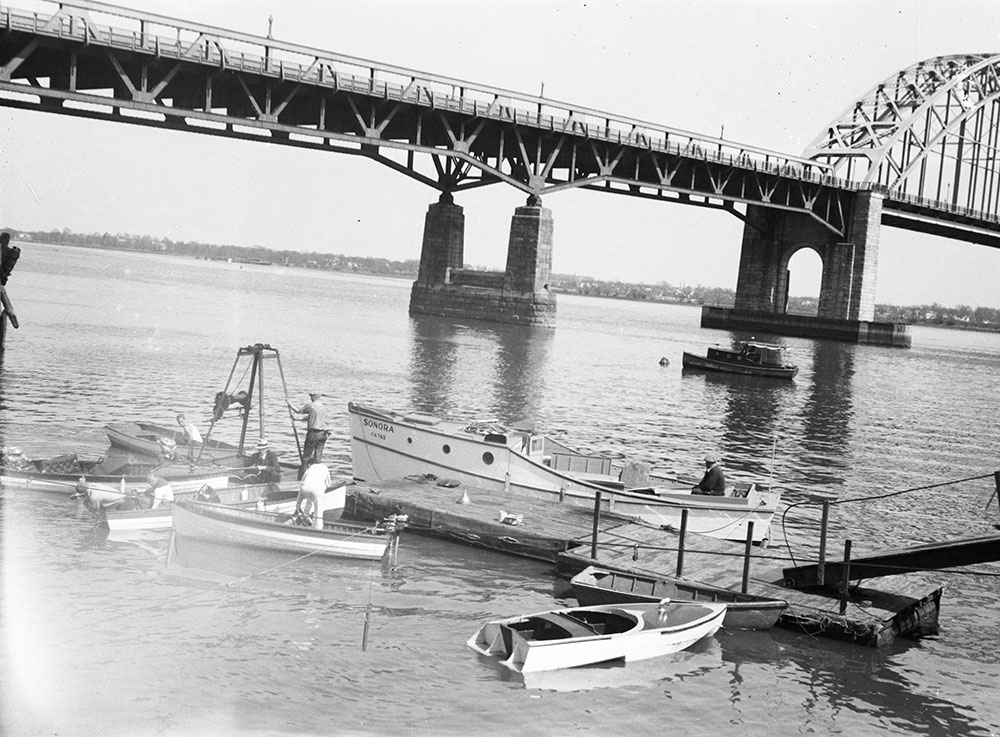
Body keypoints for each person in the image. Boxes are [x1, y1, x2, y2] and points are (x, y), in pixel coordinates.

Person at [288, 390, 328, 479]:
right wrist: (297, 420)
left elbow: (299, 411)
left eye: (311, 396)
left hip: (313, 434)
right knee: (317, 458)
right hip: (322, 434)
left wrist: (290, 404)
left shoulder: (311, 405)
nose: (310, 397)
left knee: (306, 457)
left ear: (314, 397)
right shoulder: (322, 407)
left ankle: (304, 477)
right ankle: (317, 477)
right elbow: (311, 418)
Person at [296, 458, 331, 529]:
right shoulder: (324, 467)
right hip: (317, 490)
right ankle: (317, 527)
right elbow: (329, 483)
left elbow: (302, 482)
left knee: (301, 503)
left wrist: (299, 501)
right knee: (318, 509)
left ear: (309, 464)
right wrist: (323, 488)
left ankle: (305, 516)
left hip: (304, 488)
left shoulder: (309, 469)